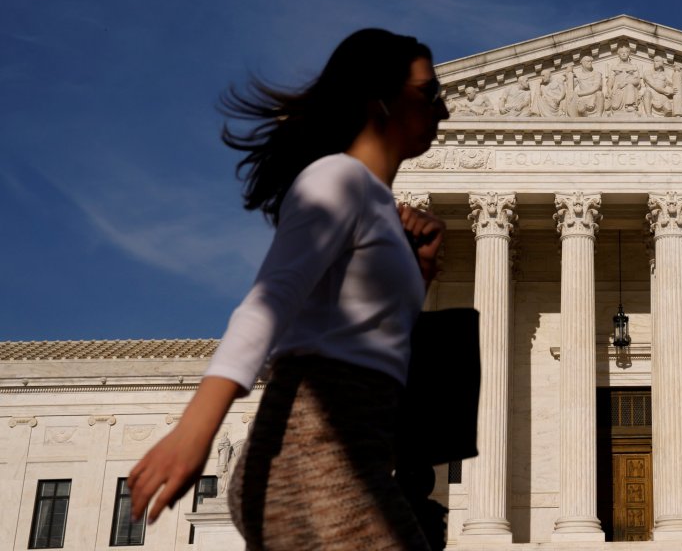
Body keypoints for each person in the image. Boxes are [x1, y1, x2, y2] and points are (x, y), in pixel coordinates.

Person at [129, 29, 450, 550]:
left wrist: (422, 271)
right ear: (380, 100)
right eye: (429, 93)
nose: (445, 110)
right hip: (312, 458)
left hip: (349, 456)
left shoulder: (375, 204)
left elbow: (364, 334)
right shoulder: (336, 179)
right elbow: (268, 303)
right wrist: (193, 433)